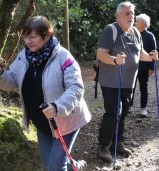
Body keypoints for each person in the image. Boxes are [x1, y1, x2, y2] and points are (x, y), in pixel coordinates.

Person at [0, 16, 91, 170]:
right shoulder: (24, 57)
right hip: (42, 123)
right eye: (26, 37)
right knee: (51, 162)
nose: (28, 41)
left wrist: (57, 107)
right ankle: (76, 166)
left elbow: (76, 87)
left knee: (54, 167)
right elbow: (11, 82)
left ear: (48, 34)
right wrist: (1, 72)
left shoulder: (64, 57)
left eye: (33, 37)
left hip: (65, 121)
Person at [96, 1, 158, 163]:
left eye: (132, 13)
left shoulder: (136, 32)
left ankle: (117, 143)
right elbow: (101, 54)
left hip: (128, 82)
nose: (131, 17)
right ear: (118, 15)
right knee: (114, 112)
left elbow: (140, 53)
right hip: (111, 81)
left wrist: (150, 57)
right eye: (127, 13)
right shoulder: (111, 30)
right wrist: (115, 60)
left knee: (124, 113)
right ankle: (103, 146)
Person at [131, 13, 157, 117]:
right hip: (132, 66)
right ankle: (128, 106)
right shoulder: (132, 33)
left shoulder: (150, 36)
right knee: (130, 87)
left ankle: (143, 108)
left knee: (143, 87)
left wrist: (152, 67)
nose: (135, 22)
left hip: (144, 67)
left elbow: (153, 53)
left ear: (142, 23)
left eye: (137, 21)